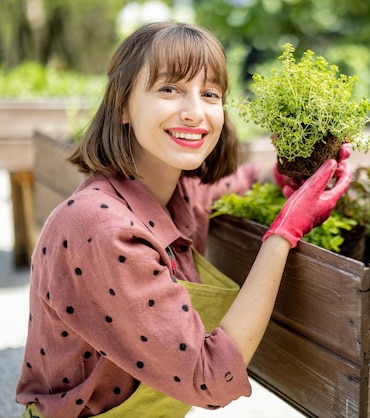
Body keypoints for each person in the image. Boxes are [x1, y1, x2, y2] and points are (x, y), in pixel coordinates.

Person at [16, 21, 351, 418]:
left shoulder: (175, 192)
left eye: (210, 93)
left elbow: (229, 183)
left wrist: (283, 174)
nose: (195, 112)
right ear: (123, 105)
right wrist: (284, 233)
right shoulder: (101, 228)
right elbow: (209, 379)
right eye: (169, 89)